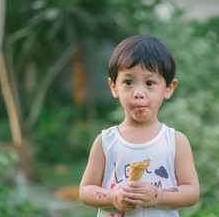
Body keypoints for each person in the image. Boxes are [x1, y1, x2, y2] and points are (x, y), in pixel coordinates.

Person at [79, 34, 199, 217]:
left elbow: (191, 192)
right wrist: (113, 198)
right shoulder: (106, 141)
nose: (138, 93)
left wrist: (158, 195)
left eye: (150, 83)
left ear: (168, 88)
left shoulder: (175, 141)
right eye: (128, 82)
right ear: (113, 87)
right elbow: (86, 190)